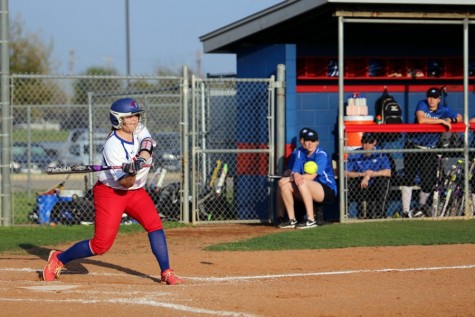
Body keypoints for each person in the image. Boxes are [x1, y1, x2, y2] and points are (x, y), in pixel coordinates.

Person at [42, 98, 183, 285]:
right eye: (130, 117)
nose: (135, 119)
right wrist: (131, 170)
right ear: (118, 120)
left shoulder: (138, 128)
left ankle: (166, 271)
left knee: (155, 225)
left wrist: (140, 159)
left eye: (136, 115)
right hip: (111, 193)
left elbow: (147, 143)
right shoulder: (112, 146)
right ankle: (60, 258)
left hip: (136, 192)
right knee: (101, 245)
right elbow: (125, 182)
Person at [401, 87, 463, 218]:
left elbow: (460, 117)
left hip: (430, 149)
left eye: (435, 98)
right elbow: (421, 120)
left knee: (428, 182)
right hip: (413, 146)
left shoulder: (444, 110)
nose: (431, 100)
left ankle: (420, 209)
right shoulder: (422, 104)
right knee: (409, 178)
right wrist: (441, 121)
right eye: (430, 97)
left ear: (439, 99)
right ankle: (405, 211)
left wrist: (450, 120)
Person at [277, 128, 337, 229]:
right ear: (304, 142)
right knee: (284, 186)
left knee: (301, 182)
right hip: (308, 188)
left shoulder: (321, 154)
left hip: (327, 189)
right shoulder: (300, 152)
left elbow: (312, 176)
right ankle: (291, 219)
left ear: (317, 142)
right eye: (307, 140)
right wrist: (294, 175)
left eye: (313, 140)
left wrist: (289, 178)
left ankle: (310, 220)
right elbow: (294, 171)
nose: (310, 143)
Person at [345, 132, 392, 219]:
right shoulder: (355, 153)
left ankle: (380, 214)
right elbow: (345, 172)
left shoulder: (380, 153)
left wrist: (371, 174)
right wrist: (362, 174)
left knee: (385, 180)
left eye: (370, 142)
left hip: (375, 185)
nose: (367, 145)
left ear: (374, 142)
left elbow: (388, 172)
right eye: (365, 142)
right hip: (360, 184)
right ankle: (345, 214)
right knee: (347, 182)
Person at [276, 127, 310, 224]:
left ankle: (309, 218)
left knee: (290, 183)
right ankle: (281, 217)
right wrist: (288, 175)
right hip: (297, 182)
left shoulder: (315, 152)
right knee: (281, 185)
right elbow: (290, 171)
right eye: (302, 139)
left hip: (310, 183)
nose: (304, 142)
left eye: (306, 139)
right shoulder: (296, 153)